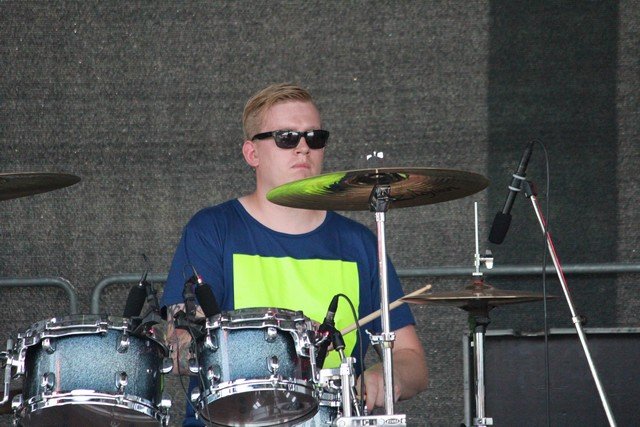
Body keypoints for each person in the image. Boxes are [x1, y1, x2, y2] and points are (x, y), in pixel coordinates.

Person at [161, 83, 428, 425]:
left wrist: (386, 375)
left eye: (315, 137)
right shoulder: (212, 229)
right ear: (252, 153)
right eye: (286, 137)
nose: (303, 148)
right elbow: (179, 343)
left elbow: (411, 359)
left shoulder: (359, 243)